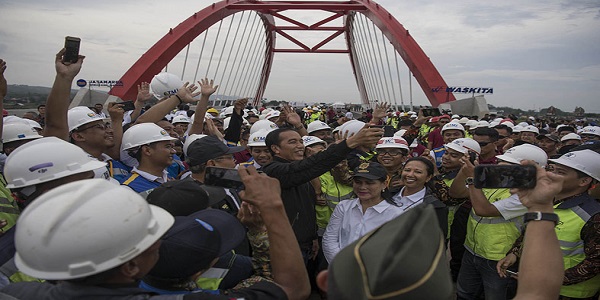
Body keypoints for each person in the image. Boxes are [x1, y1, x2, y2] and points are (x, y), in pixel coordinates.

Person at [1, 169, 311, 300]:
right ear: (131, 266)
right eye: (152, 238)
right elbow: (292, 289)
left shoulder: (20, 293)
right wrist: (272, 208)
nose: (162, 239)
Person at [262, 124, 383, 263]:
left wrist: (312, 236)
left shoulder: (299, 172)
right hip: (285, 247)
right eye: (292, 142)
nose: (300, 146)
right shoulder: (273, 171)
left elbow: (305, 208)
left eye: (301, 141)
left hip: (305, 244)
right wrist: (349, 143)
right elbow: (311, 166)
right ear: (275, 148)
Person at [498, 149, 600, 299]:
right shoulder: (545, 201)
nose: (550, 175)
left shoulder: (594, 216)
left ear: (584, 181)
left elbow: (595, 263)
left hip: (569, 294)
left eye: (561, 172)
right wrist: (514, 253)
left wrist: (541, 281)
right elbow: (527, 234)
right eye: (552, 169)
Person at [322, 162, 402, 263]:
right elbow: (330, 239)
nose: (362, 187)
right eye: (358, 182)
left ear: (384, 184)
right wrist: (341, 265)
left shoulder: (395, 214)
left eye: (369, 183)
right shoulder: (343, 207)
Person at [392, 156, 448, 236]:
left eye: (418, 172)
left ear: (428, 178)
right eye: (407, 170)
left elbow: (437, 239)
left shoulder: (435, 207)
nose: (410, 175)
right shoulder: (388, 195)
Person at [120, 123, 178, 197]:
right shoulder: (128, 190)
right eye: (167, 146)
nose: (173, 151)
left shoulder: (169, 180)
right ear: (147, 150)